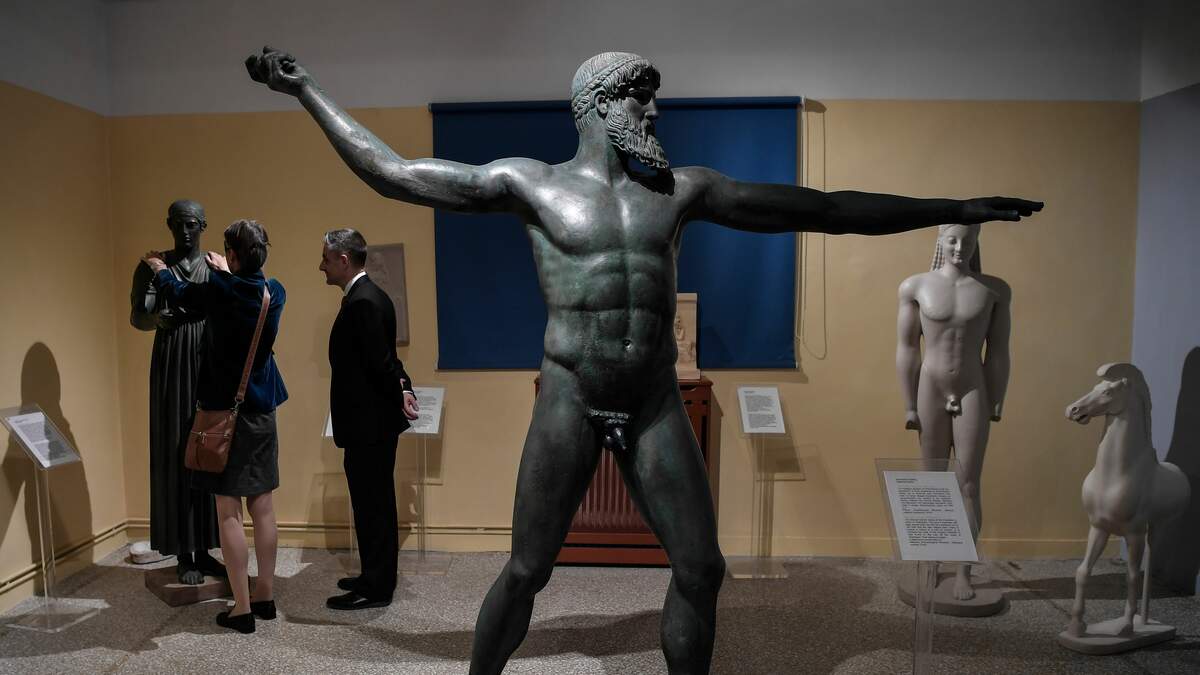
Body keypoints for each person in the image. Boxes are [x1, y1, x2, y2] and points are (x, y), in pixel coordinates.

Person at [246, 47, 1042, 674]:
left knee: (701, 567)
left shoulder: (682, 190)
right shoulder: (530, 184)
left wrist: (951, 209)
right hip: (570, 392)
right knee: (526, 569)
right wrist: (307, 89)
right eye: (638, 96)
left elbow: (824, 210)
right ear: (598, 104)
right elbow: (392, 172)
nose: (653, 110)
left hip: (654, 396)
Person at [142, 219, 288, 634]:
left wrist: (159, 269)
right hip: (262, 412)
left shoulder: (220, 290)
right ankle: (265, 594)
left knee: (228, 512)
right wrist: (231, 270)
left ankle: (241, 608)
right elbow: (245, 290)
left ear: (233, 255)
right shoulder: (275, 292)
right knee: (263, 506)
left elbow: (180, 292)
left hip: (224, 415)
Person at [896, 224, 1010, 601]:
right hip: (930, 386)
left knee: (969, 482)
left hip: (973, 387)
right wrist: (909, 403)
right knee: (931, 482)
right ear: (940, 241)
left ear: (977, 242)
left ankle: (963, 570)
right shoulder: (915, 286)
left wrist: (997, 397)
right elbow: (907, 348)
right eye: (952, 239)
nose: (960, 247)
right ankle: (930, 563)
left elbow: (997, 351)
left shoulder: (994, 290)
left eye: (968, 240)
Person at [319, 228, 419, 610]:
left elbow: (380, 363)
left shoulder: (362, 302)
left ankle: (377, 587)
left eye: (326, 259)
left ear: (344, 260)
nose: (321, 266)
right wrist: (404, 388)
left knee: (372, 506)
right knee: (371, 504)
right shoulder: (372, 296)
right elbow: (387, 359)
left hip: (368, 426)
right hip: (370, 424)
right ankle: (372, 575)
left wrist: (400, 389)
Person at [130, 199, 224, 585]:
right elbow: (138, 316)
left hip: (206, 359)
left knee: (208, 449)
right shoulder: (152, 265)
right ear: (168, 224)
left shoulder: (214, 265)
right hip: (171, 361)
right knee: (176, 448)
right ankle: (184, 552)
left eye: (192, 224)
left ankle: (206, 549)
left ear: (203, 225)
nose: (185, 232)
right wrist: (158, 318)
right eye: (178, 224)